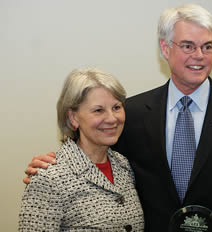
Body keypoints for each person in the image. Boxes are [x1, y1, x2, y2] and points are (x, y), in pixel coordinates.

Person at [23, 4, 212, 232]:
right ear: (165, 48)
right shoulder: (130, 114)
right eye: (188, 46)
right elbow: (97, 159)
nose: (199, 56)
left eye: (207, 46)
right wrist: (50, 166)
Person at [19, 68, 144, 231]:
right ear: (73, 117)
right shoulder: (48, 177)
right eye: (98, 110)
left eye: (116, 107)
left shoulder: (124, 166)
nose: (112, 118)